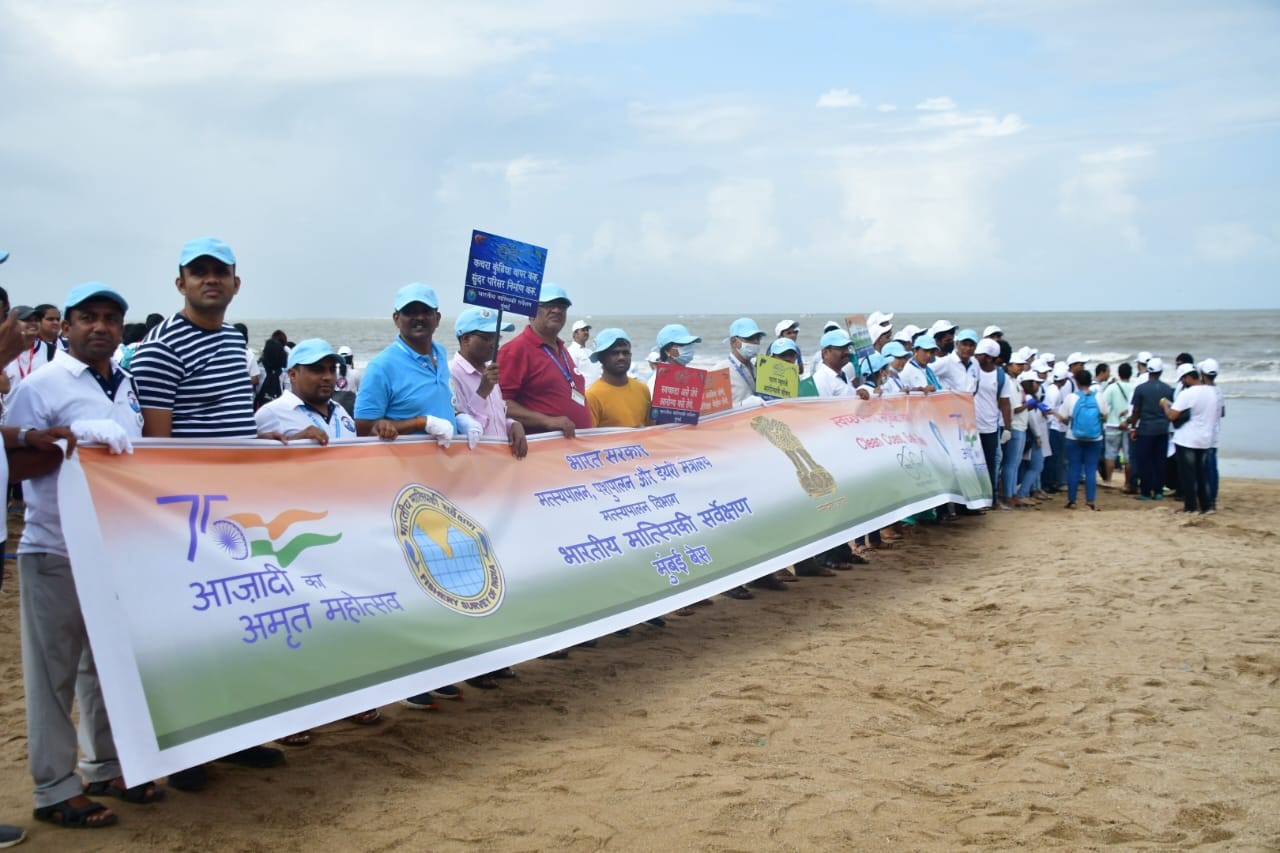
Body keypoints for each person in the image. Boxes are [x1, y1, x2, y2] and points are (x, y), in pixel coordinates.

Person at [6, 282, 163, 830]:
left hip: (112, 548)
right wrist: (65, 440)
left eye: (111, 319)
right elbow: (13, 463)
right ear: (66, 326)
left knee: (103, 665)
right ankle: (54, 787)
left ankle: (104, 765)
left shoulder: (125, 384)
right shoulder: (43, 384)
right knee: (53, 675)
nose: (100, 327)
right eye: (87, 317)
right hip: (54, 546)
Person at [130, 236, 285, 789]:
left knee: (233, 629)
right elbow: (157, 446)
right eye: (198, 273)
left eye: (219, 272)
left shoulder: (231, 345)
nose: (209, 280)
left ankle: (233, 737)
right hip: (185, 517)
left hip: (235, 513)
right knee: (188, 637)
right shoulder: (159, 349)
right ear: (180, 283)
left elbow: (233, 425)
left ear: (236, 283)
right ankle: (185, 754)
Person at [255, 339, 391, 742]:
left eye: (331, 369)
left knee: (342, 617)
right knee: (294, 627)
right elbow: (246, 464)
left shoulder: (342, 417)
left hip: (339, 531)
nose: (327, 377)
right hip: (292, 535)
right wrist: (292, 441)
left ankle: (347, 698)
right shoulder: (270, 415)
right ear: (292, 374)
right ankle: (289, 715)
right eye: (316, 369)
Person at [354, 283, 481, 704]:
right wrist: (420, 422)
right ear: (396, 319)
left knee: (442, 573)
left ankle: (438, 666)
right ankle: (410, 681)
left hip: (443, 484)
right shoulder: (382, 366)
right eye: (409, 312)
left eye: (425, 311)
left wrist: (459, 417)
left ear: (437, 318)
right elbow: (363, 427)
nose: (418, 318)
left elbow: (443, 401)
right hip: (403, 488)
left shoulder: (441, 355)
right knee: (411, 576)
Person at [498, 284, 593, 436]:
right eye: (549, 305)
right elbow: (498, 403)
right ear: (531, 312)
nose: (557, 310)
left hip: (574, 452)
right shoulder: (515, 350)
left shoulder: (561, 348)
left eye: (562, 306)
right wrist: (546, 421)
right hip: (543, 452)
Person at [449, 307, 527, 459]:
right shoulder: (451, 374)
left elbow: (495, 417)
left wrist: (512, 424)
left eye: (497, 337)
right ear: (465, 339)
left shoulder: (489, 370)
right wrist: (482, 392)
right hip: (474, 466)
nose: (494, 343)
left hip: (500, 462)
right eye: (486, 338)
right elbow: (462, 429)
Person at [1163, 363, 1221, 515]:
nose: (1182, 383)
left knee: (1188, 475)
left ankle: (1191, 507)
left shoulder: (1188, 394)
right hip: (1206, 438)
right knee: (1202, 475)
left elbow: (1172, 415)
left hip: (1187, 439)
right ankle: (1207, 505)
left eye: (1183, 379)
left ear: (1188, 377)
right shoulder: (1212, 392)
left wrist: (1164, 405)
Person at [1056, 368, 1109, 510]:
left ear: (1077, 382)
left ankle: (1072, 500)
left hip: (1073, 438)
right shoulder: (1098, 397)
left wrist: (1057, 415)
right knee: (1090, 470)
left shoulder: (1071, 398)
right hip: (1095, 438)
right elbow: (1105, 416)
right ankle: (1090, 501)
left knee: (1074, 468)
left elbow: (1064, 418)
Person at [1127, 357, 1173, 500]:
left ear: (1148, 370)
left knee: (1144, 461)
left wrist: (1133, 427)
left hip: (1146, 430)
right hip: (1162, 429)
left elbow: (1136, 411)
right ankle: (1158, 491)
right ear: (1161, 372)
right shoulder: (1168, 389)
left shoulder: (1140, 389)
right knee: (1159, 461)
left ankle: (1146, 492)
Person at [586, 329, 651, 428]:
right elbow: (590, 439)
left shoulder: (643, 389)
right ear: (601, 358)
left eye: (625, 352)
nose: (621, 357)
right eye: (614, 353)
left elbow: (650, 429)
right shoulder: (592, 396)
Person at [973, 338, 1012, 506]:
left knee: (990, 465)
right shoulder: (971, 370)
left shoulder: (1001, 376)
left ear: (989, 358)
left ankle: (991, 499)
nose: (976, 357)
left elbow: (1005, 403)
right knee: (972, 465)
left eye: (980, 355)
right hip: (971, 427)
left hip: (990, 427)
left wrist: (1008, 428)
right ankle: (975, 500)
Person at [716, 318, 766, 407]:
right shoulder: (720, 371)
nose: (755, 342)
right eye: (749, 338)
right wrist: (741, 405)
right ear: (734, 342)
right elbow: (712, 409)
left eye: (758, 338)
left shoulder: (757, 368)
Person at [1101, 362, 1135, 485]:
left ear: (1119, 374)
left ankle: (1108, 480)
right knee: (1128, 456)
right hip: (1128, 424)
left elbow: (1103, 403)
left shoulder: (1112, 387)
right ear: (1130, 374)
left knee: (1110, 454)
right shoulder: (1133, 387)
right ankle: (1127, 483)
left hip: (1112, 424)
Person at [1198, 358, 1224, 509]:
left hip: (1202, 436)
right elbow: (1222, 412)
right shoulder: (1218, 391)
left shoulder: (1202, 391)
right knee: (1212, 468)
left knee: (1203, 470)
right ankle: (1212, 498)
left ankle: (1206, 501)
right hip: (1214, 435)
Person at [647, 323, 701, 394]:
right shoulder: (656, 381)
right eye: (682, 344)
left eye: (690, 343)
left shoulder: (691, 378)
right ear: (667, 351)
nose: (688, 347)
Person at [932, 328, 979, 393]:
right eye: (964, 344)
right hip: (950, 402)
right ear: (957, 344)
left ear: (975, 347)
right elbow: (926, 372)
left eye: (971, 345)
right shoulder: (947, 361)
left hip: (969, 402)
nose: (968, 348)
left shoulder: (975, 363)